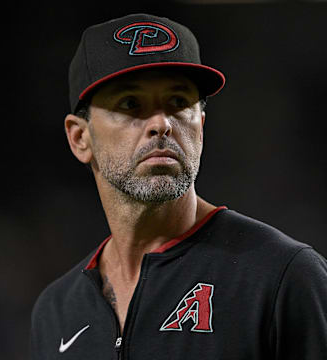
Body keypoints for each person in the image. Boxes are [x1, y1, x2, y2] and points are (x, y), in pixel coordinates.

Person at [30, 13, 327, 359]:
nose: (161, 123)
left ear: (200, 126)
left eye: (178, 102)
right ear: (81, 138)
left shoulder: (283, 278)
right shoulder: (55, 311)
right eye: (130, 104)